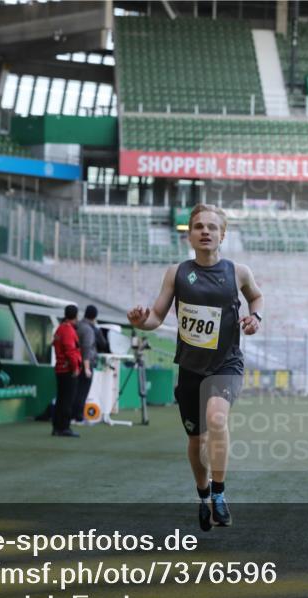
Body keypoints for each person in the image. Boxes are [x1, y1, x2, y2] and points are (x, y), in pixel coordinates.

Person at [127, 204, 263, 531]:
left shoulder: (238, 272)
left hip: (225, 364)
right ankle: (202, 495)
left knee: (217, 418)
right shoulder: (176, 272)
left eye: (212, 227)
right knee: (196, 440)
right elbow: (157, 316)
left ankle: (218, 493)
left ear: (222, 235)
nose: (205, 231)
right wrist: (141, 322)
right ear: (189, 235)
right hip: (189, 368)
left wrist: (255, 317)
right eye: (198, 226)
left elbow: (256, 298)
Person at [52, 304, 82, 437]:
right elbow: (71, 351)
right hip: (67, 369)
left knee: (61, 399)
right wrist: (75, 368)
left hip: (60, 368)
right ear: (76, 315)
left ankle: (57, 427)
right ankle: (64, 427)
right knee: (67, 400)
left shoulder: (59, 329)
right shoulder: (68, 330)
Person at [73, 304, 103, 425]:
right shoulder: (89, 329)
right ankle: (78, 417)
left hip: (75, 362)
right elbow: (86, 349)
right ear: (95, 316)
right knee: (82, 391)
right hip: (85, 363)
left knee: (76, 391)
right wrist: (86, 368)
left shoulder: (78, 325)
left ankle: (74, 416)